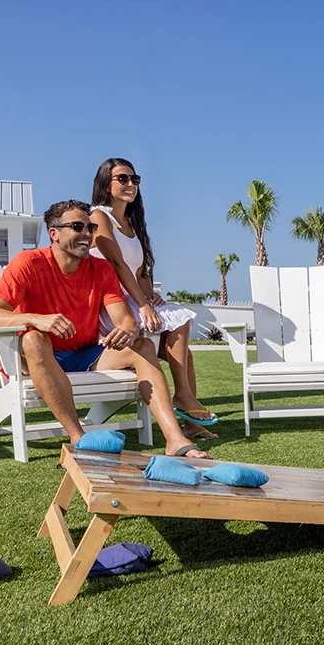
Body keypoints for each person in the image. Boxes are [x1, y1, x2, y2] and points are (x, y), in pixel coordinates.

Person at [0, 199, 211, 459]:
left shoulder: (101, 269)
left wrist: (129, 328)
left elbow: (124, 319)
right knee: (33, 339)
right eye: (78, 227)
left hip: (86, 353)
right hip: (38, 356)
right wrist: (36, 319)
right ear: (53, 233)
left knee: (143, 346)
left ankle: (175, 439)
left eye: (91, 228)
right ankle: (79, 437)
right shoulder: (29, 263)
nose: (87, 234)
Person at [89, 158, 218, 441]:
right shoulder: (99, 216)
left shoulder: (131, 224)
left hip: (132, 297)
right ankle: (183, 398)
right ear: (105, 184)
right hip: (111, 304)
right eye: (122, 179)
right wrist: (143, 304)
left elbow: (137, 271)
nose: (130, 184)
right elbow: (118, 265)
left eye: (135, 179)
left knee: (183, 351)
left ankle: (191, 422)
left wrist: (149, 294)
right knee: (181, 320)